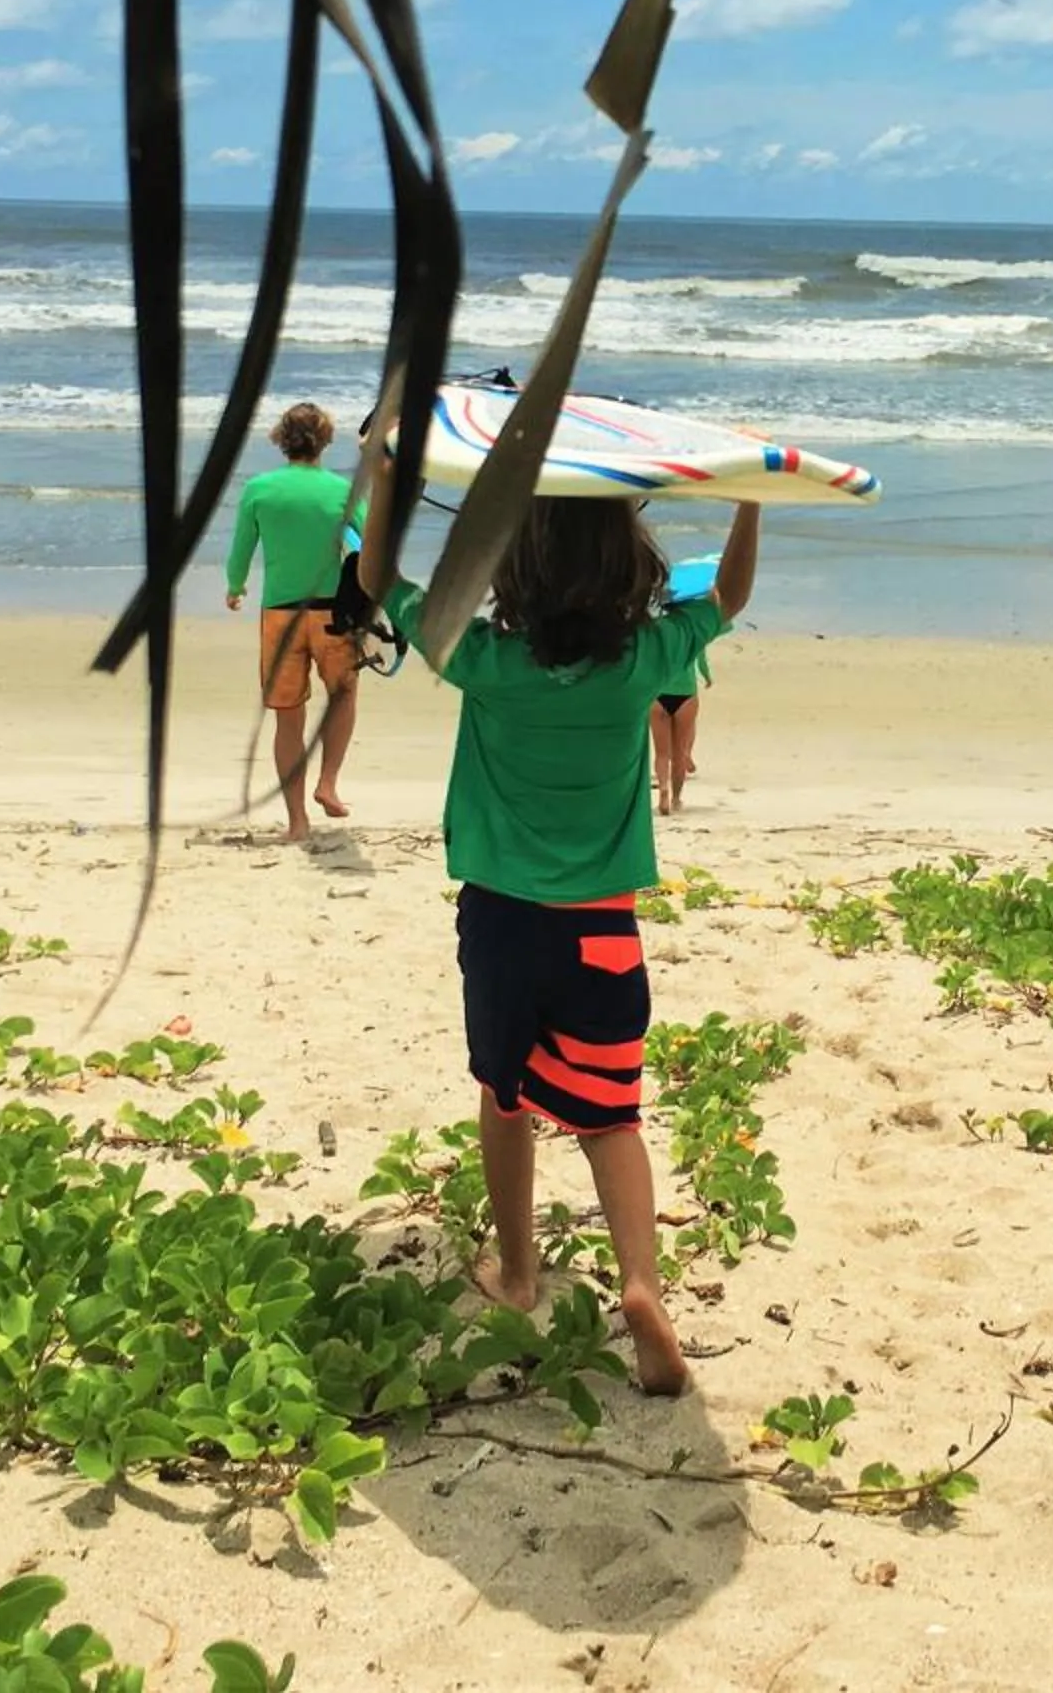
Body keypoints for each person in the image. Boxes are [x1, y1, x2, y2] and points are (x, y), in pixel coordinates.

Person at [384, 496, 761, 1398]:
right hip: (603, 932)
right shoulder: (647, 660)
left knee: (505, 1095)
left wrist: (380, 483)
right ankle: (640, 1284)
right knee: (610, 1118)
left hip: (504, 922)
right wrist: (752, 498)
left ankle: (518, 1275)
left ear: (517, 570)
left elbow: (379, 584)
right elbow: (732, 598)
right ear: (628, 566)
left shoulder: (485, 662)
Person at [224, 403, 364, 842]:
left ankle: (297, 823)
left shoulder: (260, 489)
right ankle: (328, 783)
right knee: (342, 697)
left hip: (281, 614)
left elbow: (242, 546)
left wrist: (235, 585)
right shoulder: (344, 491)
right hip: (332, 614)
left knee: (289, 718)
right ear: (325, 440)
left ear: (280, 440)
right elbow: (365, 551)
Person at [648, 554, 719, 817]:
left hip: (657, 694)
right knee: (680, 753)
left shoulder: (654, 630)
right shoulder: (692, 633)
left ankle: (663, 791)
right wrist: (713, 595)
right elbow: (722, 624)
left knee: (661, 752)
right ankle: (677, 799)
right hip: (686, 695)